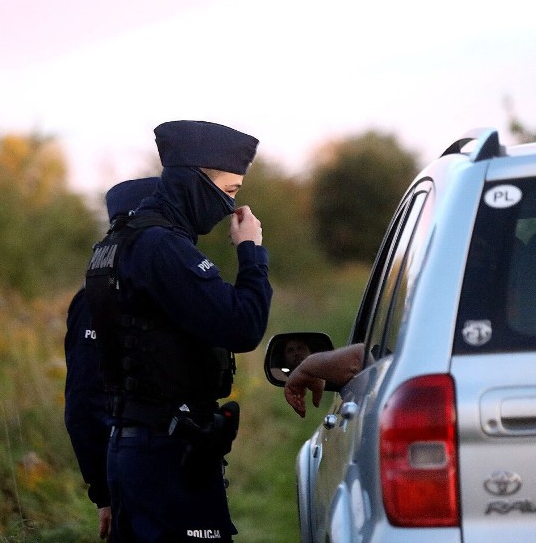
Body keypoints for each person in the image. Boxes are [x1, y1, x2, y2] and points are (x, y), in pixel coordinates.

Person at [85, 120, 272, 542]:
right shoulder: (162, 247)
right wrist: (252, 252)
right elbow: (243, 327)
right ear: (195, 182)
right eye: (229, 192)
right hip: (165, 454)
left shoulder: (117, 241)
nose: (230, 207)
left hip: (133, 447)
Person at [64, 177, 159, 541]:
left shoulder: (169, 284)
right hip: (131, 475)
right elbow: (84, 403)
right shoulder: (95, 300)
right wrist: (103, 493)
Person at [283, 343, 365, 418]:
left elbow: (359, 355)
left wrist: (308, 366)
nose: (296, 353)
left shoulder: (361, 362)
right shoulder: (277, 371)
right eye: (290, 351)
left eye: (301, 348)